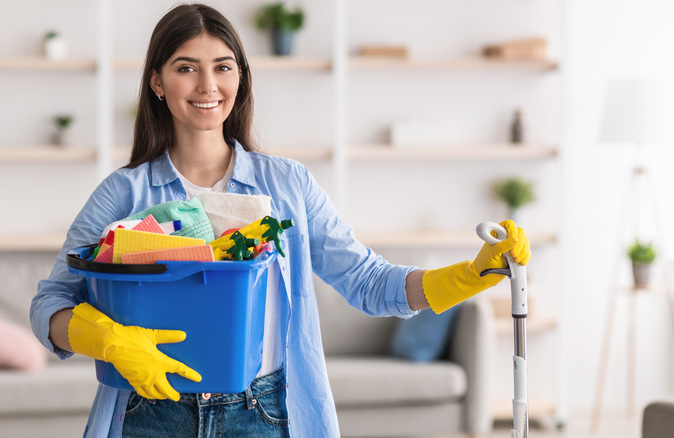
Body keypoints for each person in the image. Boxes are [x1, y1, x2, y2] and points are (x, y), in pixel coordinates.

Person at [30, 3, 531, 438]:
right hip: (150, 413)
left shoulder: (288, 186)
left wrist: (473, 274)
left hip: (264, 416)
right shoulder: (124, 193)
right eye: (187, 68)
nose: (208, 85)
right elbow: (50, 303)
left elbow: (370, 283)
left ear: (241, 76)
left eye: (223, 67)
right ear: (157, 82)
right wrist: (109, 340)